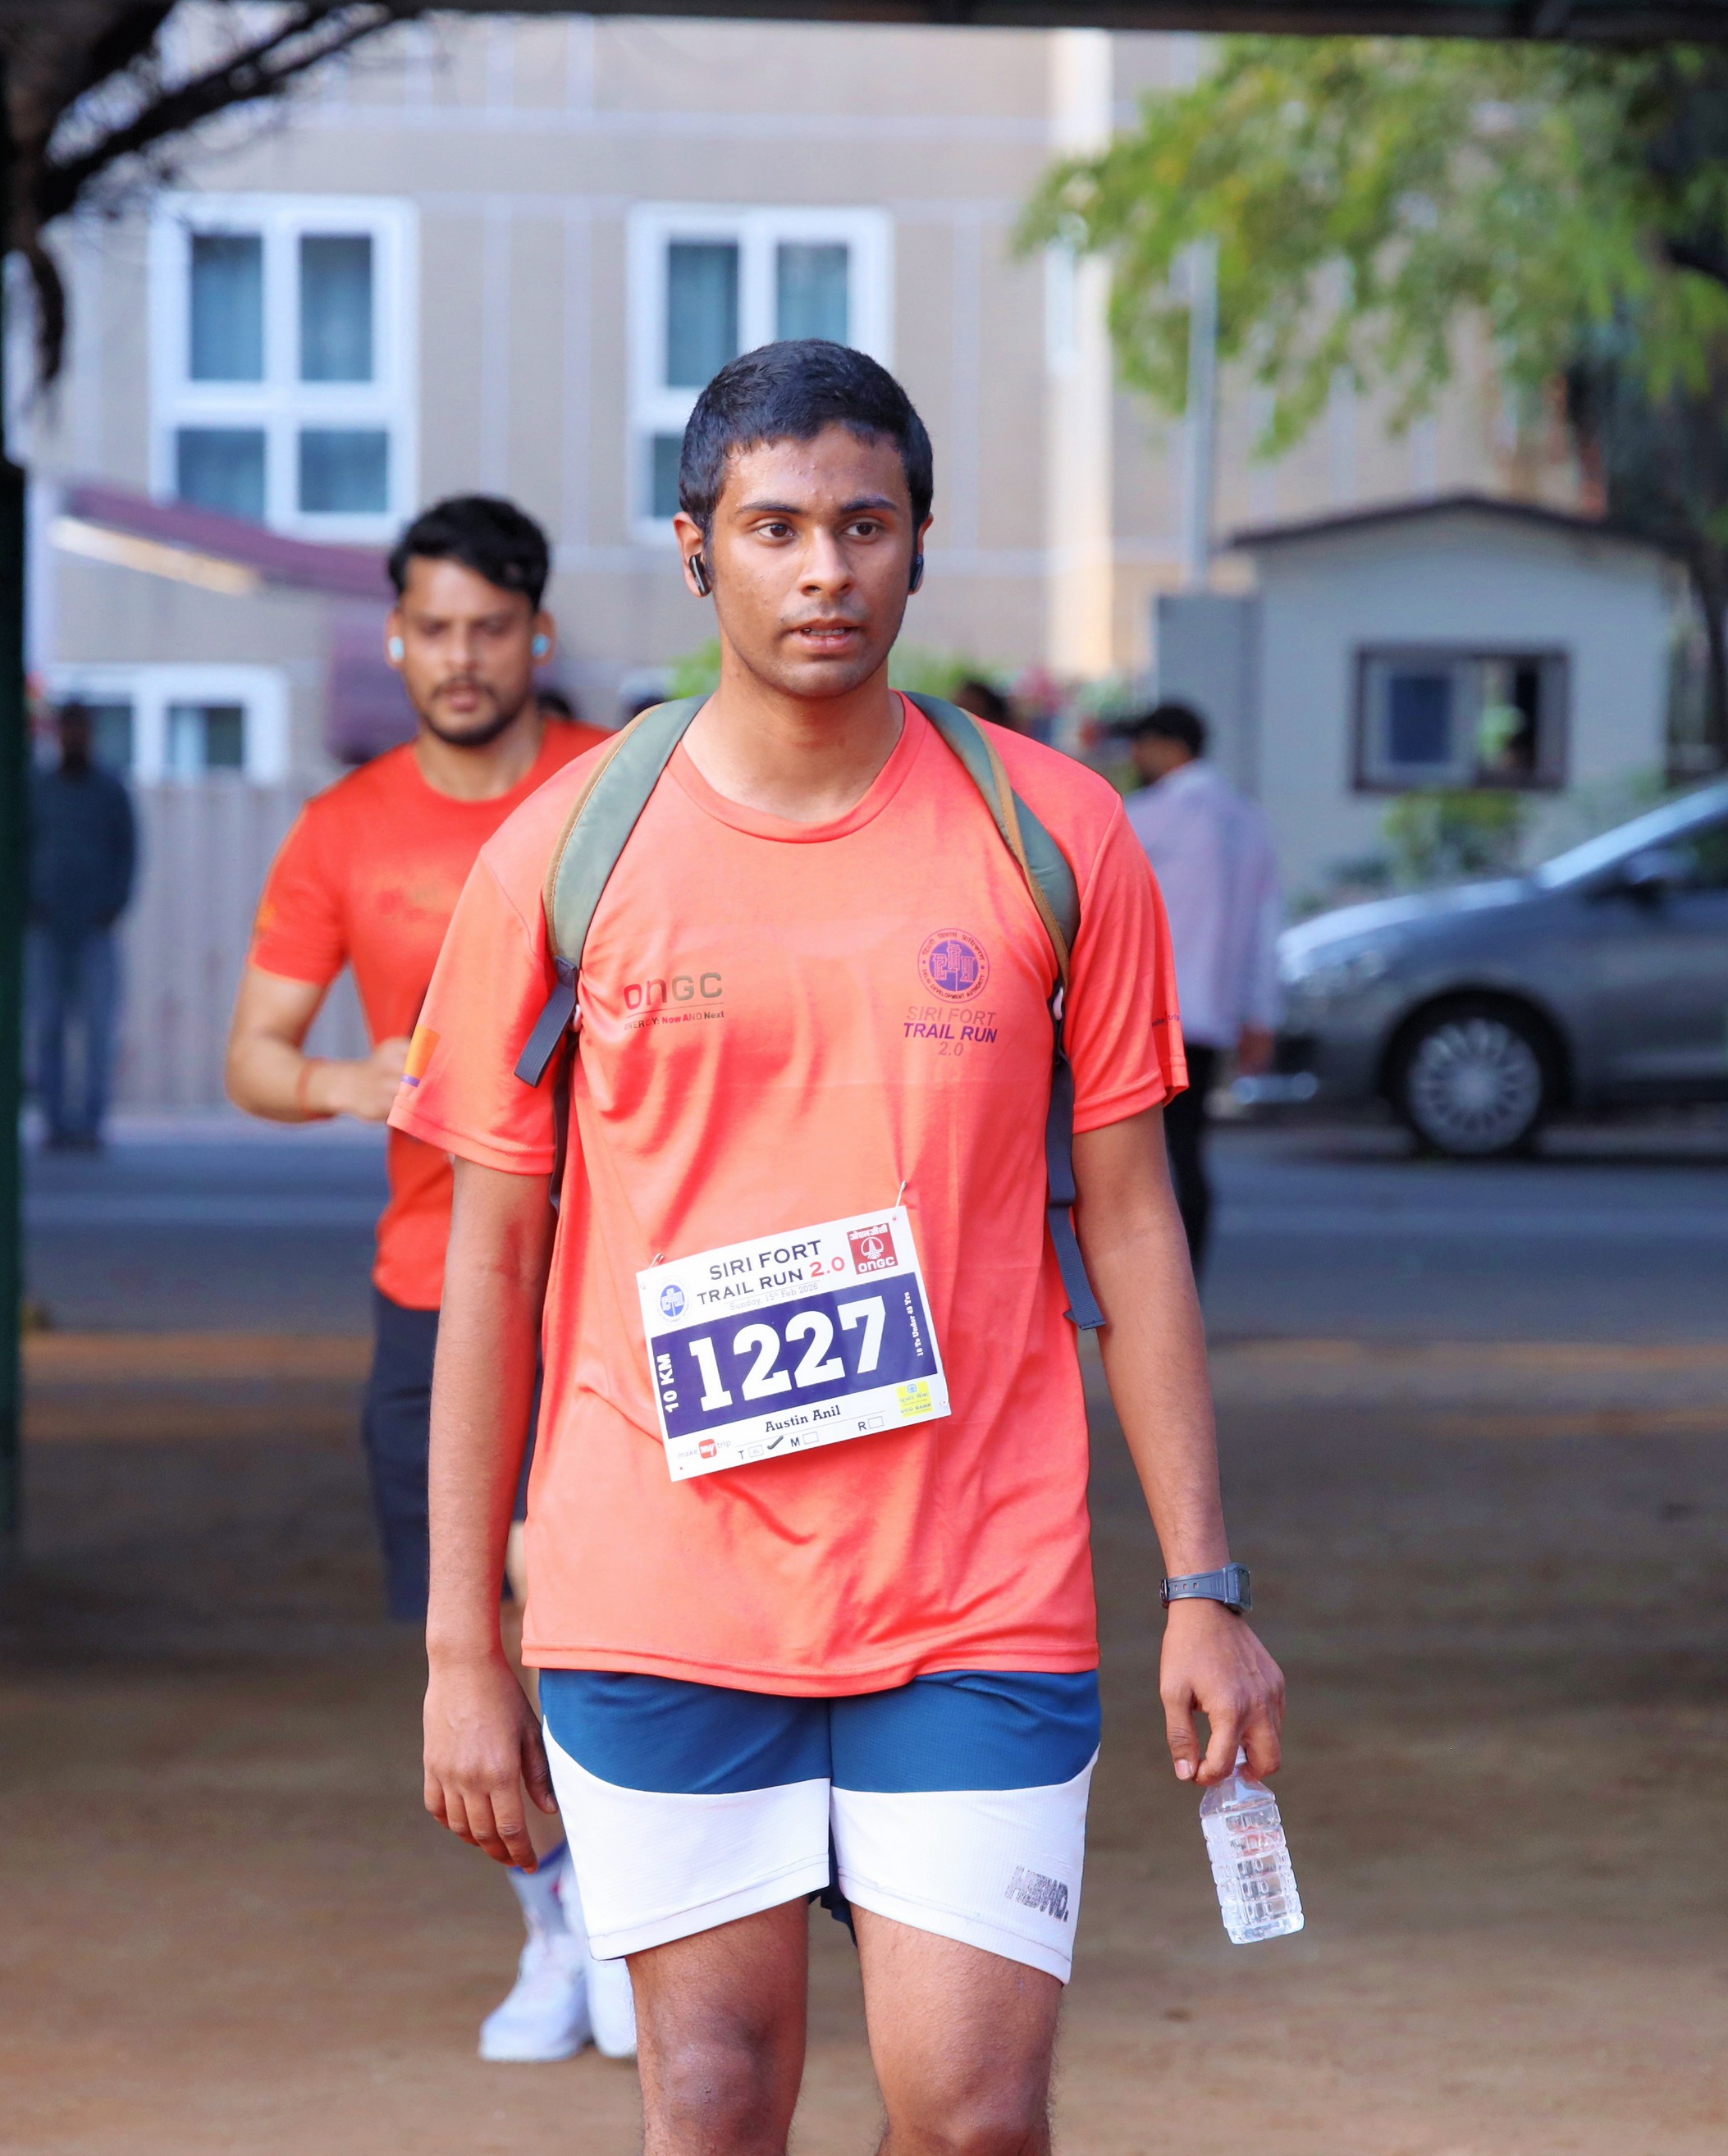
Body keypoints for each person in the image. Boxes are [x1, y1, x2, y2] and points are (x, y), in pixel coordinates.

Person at [400, 341, 1284, 2154]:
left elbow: (1133, 1224)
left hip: (975, 1588)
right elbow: (489, 1265)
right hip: (658, 1591)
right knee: (716, 2103)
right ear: (695, 548)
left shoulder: (1056, 835)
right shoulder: (565, 852)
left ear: (921, 543)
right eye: (776, 527)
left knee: (976, 2118)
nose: (825, 570)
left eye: (864, 525)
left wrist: (1204, 1583)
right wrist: (458, 1645)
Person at [222, 495, 620, 2062]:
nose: (461, 658)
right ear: (394, 638)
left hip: (620, 1278)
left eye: (490, 628)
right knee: (484, 1611)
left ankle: (638, 1913)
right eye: (433, 629)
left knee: (585, 1603)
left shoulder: (620, 787)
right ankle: (558, 1919)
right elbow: (255, 1056)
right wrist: (360, 1080)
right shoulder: (345, 826)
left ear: (537, 633)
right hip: (438, 1282)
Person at [1120, 702, 1282, 1272]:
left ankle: (1145, 1287)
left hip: (1141, 1014)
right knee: (1187, 1153)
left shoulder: (1145, 816)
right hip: (1208, 1015)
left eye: (1140, 745)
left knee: (1128, 1160)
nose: (1135, 757)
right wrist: (1262, 1015)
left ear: (1166, 746)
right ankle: (1187, 1287)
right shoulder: (1247, 821)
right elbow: (1265, 928)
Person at [26, 701, 136, 1152]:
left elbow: (127, 849)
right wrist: (31, 902)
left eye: (81, 729)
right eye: (67, 729)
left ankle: (91, 1122)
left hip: (94, 924)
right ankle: (54, 1121)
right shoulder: (42, 788)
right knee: (47, 1025)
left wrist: (114, 904)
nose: (74, 738)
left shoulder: (109, 790)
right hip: (48, 923)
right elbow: (23, 846)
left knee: (97, 1028)